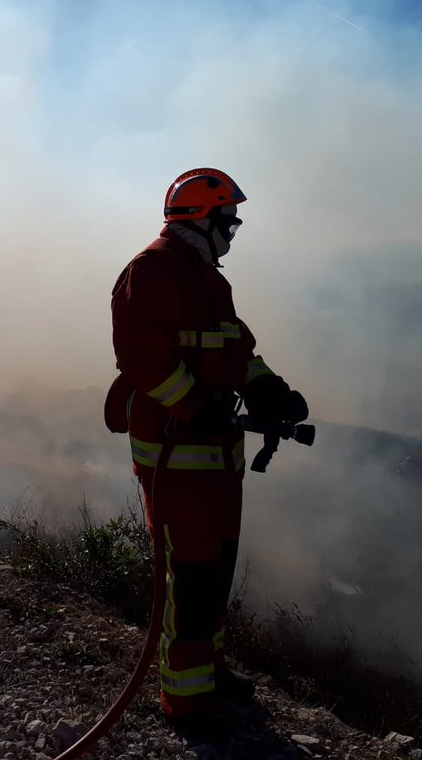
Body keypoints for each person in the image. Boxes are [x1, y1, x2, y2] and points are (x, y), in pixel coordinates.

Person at [106, 168, 309, 741]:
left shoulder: (207, 277)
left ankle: (210, 672)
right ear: (203, 217)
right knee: (192, 579)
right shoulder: (151, 272)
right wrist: (197, 404)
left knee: (216, 572)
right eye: (231, 220)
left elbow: (235, 348)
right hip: (176, 459)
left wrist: (268, 387)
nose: (236, 230)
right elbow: (141, 360)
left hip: (217, 459)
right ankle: (187, 704)